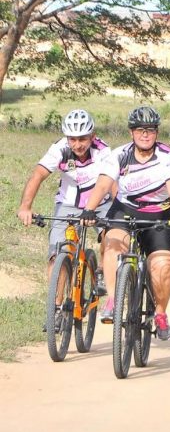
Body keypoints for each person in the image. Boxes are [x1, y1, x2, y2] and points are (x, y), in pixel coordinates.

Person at [81, 106, 170, 341]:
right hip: (126, 209)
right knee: (112, 244)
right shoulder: (119, 155)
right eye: (140, 130)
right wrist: (89, 209)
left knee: (162, 265)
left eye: (150, 130)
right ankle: (112, 300)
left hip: (160, 214)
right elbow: (102, 185)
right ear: (132, 132)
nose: (145, 134)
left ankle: (160, 313)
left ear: (157, 132)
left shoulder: (168, 156)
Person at [17, 109, 111, 295]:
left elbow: (111, 182)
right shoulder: (59, 149)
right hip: (68, 204)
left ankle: (101, 270)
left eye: (82, 139)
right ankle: (57, 310)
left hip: (100, 202)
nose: (77, 145)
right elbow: (37, 175)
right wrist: (25, 207)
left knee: (111, 236)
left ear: (92, 136)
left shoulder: (103, 151)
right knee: (57, 255)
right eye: (72, 139)